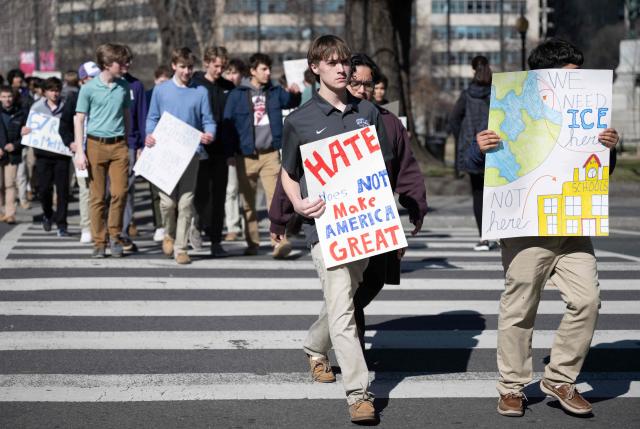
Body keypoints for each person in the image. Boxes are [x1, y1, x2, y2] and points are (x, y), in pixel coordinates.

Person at [475, 38, 620, 418]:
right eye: (569, 76)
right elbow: (480, 165)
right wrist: (483, 147)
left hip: (571, 225)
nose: (577, 84)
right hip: (526, 224)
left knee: (587, 299)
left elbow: (599, 170)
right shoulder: (512, 102)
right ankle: (511, 387)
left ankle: (560, 377)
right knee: (520, 306)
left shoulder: (589, 111)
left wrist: (609, 147)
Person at [270, 53, 428, 349]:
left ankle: (317, 343)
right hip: (334, 223)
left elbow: (405, 169)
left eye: (368, 84)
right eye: (356, 82)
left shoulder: (387, 122)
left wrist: (415, 207)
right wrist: (280, 216)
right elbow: (293, 170)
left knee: (371, 282)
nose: (362, 89)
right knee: (345, 294)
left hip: (375, 220)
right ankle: (352, 358)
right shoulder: (319, 120)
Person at [276, 35, 393, 424]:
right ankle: (359, 393)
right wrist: (295, 203)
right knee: (343, 308)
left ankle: (313, 345)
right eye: (332, 63)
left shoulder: (368, 112)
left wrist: (391, 223)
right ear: (315, 68)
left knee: (343, 300)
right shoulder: (299, 120)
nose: (342, 68)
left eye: (344, 61)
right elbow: (288, 172)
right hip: (324, 228)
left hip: (364, 226)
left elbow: (379, 171)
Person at [223, 52, 301, 258]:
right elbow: (227, 125)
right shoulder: (237, 94)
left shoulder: (275, 91)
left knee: (276, 200)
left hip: (270, 155)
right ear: (252, 71)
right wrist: (230, 153)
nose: (268, 73)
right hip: (245, 155)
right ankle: (252, 242)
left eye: (269, 69)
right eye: (263, 69)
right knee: (247, 203)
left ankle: (279, 242)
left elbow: (290, 102)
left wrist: (294, 93)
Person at [145, 47, 216, 265]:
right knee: (167, 203)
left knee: (186, 202)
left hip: (191, 153)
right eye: (182, 67)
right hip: (164, 154)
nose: (186, 71)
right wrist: (149, 135)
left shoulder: (200, 92)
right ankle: (168, 232)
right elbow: (152, 118)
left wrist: (209, 134)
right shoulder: (161, 90)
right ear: (174, 66)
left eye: (190, 67)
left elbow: (208, 120)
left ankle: (181, 247)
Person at [73, 43, 132, 258]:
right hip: (95, 145)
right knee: (97, 197)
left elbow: (126, 114)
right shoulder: (88, 89)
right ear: (107, 64)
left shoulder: (124, 87)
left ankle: (115, 236)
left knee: (119, 192)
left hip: (118, 146)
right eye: (121, 62)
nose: (126, 65)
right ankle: (99, 241)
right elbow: (79, 120)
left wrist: (127, 141)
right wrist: (80, 152)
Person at [449, 55, 497, 251]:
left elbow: (454, 119)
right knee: (497, 193)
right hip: (496, 147)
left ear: (473, 70)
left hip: (472, 149)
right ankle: (500, 233)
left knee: (478, 194)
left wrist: (463, 137)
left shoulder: (467, 94)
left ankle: (484, 238)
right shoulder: (496, 92)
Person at [192, 46, 235, 257]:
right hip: (200, 149)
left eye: (222, 66)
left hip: (221, 150)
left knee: (219, 196)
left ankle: (216, 240)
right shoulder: (195, 84)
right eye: (216, 65)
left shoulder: (228, 86)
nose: (219, 70)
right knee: (200, 195)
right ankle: (197, 227)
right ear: (206, 63)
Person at [59, 61, 101, 244]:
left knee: (100, 191)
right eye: (92, 77)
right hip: (81, 152)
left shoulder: (103, 94)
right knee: (85, 190)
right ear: (83, 80)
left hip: (100, 149)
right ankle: (86, 227)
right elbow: (64, 125)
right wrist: (71, 143)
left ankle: (99, 225)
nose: (96, 80)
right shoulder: (74, 99)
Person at [23, 77, 71, 236]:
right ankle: (48, 214)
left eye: (57, 90)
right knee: (44, 189)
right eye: (51, 90)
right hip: (43, 155)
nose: (55, 93)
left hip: (62, 155)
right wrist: (26, 131)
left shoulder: (66, 106)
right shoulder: (37, 107)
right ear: (45, 92)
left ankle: (62, 224)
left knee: (63, 190)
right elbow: (29, 126)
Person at [119, 46, 146, 252]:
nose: (126, 65)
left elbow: (141, 117)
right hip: (104, 143)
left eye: (129, 61)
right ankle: (104, 232)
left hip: (129, 144)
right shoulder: (101, 85)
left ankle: (123, 233)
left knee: (126, 190)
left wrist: (141, 145)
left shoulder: (135, 85)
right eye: (122, 61)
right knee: (107, 192)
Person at [145, 65, 172, 243]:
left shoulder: (174, 96)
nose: (163, 86)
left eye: (166, 83)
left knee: (172, 192)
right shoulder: (148, 96)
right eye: (161, 82)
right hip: (153, 146)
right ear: (155, 81)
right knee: (156, 191)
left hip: (172, 146)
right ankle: (159, 225)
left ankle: (172, 225)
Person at [221, 58, 246, 242]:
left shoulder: (245, 93)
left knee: (245, 189)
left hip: (244, 147)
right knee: (230, 189)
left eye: (234, 72)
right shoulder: (222, 93)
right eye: (227, 72)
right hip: (226, 148)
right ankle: (232, 225)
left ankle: (248, 224)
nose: (231, 76)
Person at [0, 85, 26, 224]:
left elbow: (28, 136)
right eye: (4, 96)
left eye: (9, 96)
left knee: (10, 184)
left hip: (12, 154)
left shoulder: (21, 113)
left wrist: (15, 145)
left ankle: (10, 214)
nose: (7, 99)